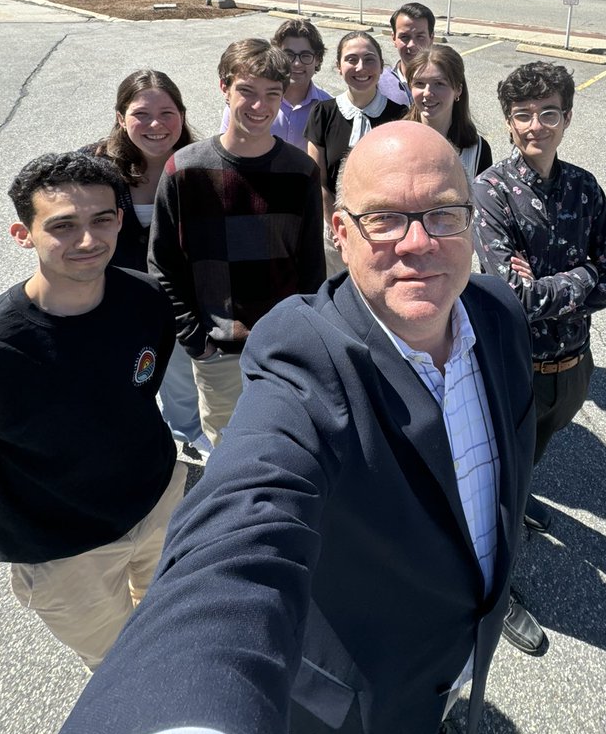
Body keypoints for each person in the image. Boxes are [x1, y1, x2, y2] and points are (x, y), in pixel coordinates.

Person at [43, 123, 536, 734]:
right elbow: (243, 520)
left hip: (463, 652)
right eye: (385, 219)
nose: (419, 243)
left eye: (443, 213)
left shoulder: (496, 313)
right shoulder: (303, 351)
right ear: (340, 232)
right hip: (355, 710)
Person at [0, 152, 185, 671]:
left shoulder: (148, 299)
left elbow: (143, 386)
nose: (88, 240)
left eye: (102, 219)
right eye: (63, 225)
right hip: (64, 552)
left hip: (158, 505)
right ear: (24, 234)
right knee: (119, 671)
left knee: (174, 631)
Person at [473, 60, 606, 655]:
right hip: (515, 372)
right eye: (523, 115)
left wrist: (554, 283)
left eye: (549, 113)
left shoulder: (585, 187)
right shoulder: (491, 191)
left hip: (572, 368)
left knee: (528, 463)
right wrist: (579, 278)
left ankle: (516, 503)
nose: (536, 125)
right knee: (496, 488)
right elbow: (512, 298)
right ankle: (495, 593)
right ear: (509, 124)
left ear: (567, 117)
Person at [149, 39, 325, 449]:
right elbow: (164, 265)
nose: (259, 106)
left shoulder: (300, 172)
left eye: (272, 94)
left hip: (284, 349)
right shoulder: (185, 170)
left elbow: (311, 266)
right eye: (246, 90)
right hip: (218, 354)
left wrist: (305, 338)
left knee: (285, 446)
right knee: (228, 454)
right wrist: (197, 341)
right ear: (224, 87)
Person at [88, 69, 209, 460]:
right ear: (121, 117)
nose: (156, 125)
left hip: (177, 295)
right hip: (113, 295)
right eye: (141, 113)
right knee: (117, 372)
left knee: (178, 370)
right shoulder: (94, 168)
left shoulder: (201, 166)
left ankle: (186, 431)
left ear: (182, 115)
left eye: (167, 112)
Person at [305, 31, 407, 273]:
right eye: (351, 59)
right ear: (339, 67)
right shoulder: (323, 113)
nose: (361, 67)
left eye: (369, 59)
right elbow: (317, 181)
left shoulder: (399, 115)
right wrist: (338, 228)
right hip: (335, 233)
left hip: (387, 232)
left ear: (382, 66)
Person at [220, 18, 331, 150]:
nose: (296, 63)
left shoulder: (328, 107)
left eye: (305, 55)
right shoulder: (246, 104)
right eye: (288, 55)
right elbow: (225, 148)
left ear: (317, 60)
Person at [404, 44, 493, 181]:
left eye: (439, 84)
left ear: (458, 89)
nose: (427, 93)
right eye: (419, 83)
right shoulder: (396, 139)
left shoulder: (478, 150)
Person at [379, 1, 435, 104]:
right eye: (404, 37)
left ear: (431, 38)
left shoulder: (443, 84)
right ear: (394, 38)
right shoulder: (379, 84)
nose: (412, 45)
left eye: (420, 37)